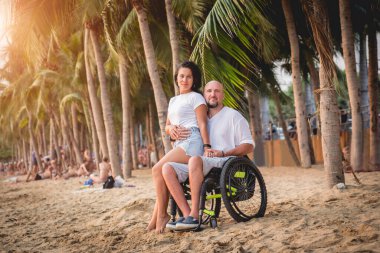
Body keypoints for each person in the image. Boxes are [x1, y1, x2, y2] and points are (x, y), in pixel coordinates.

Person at [160, 80, 254, 231]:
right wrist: (171, 129)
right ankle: (185, 214)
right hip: (200, 163)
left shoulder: (233, 116)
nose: (213, 94)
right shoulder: (199, 121)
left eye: (217, 91)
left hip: (224, 161)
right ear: (203, 95)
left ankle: (195, 215)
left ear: (222, 95)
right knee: (167, 168)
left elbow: (249, 145)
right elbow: (176, 132)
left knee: (195, 160)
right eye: (209, 91)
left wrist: (224, 152)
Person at [147, 61, 211, 233]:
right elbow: (167, 126)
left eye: (189, 76)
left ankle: (161, 216)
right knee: (164, 171)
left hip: (192, 141)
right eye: (181, 76)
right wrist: (171, 129)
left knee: (156, 169)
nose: (184, 79)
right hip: (180, 143)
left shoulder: (196, 97)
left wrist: (206, 146)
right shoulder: (173, 100)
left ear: (194, 79)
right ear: (176, 78)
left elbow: (202, 123)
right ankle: (182, 215)